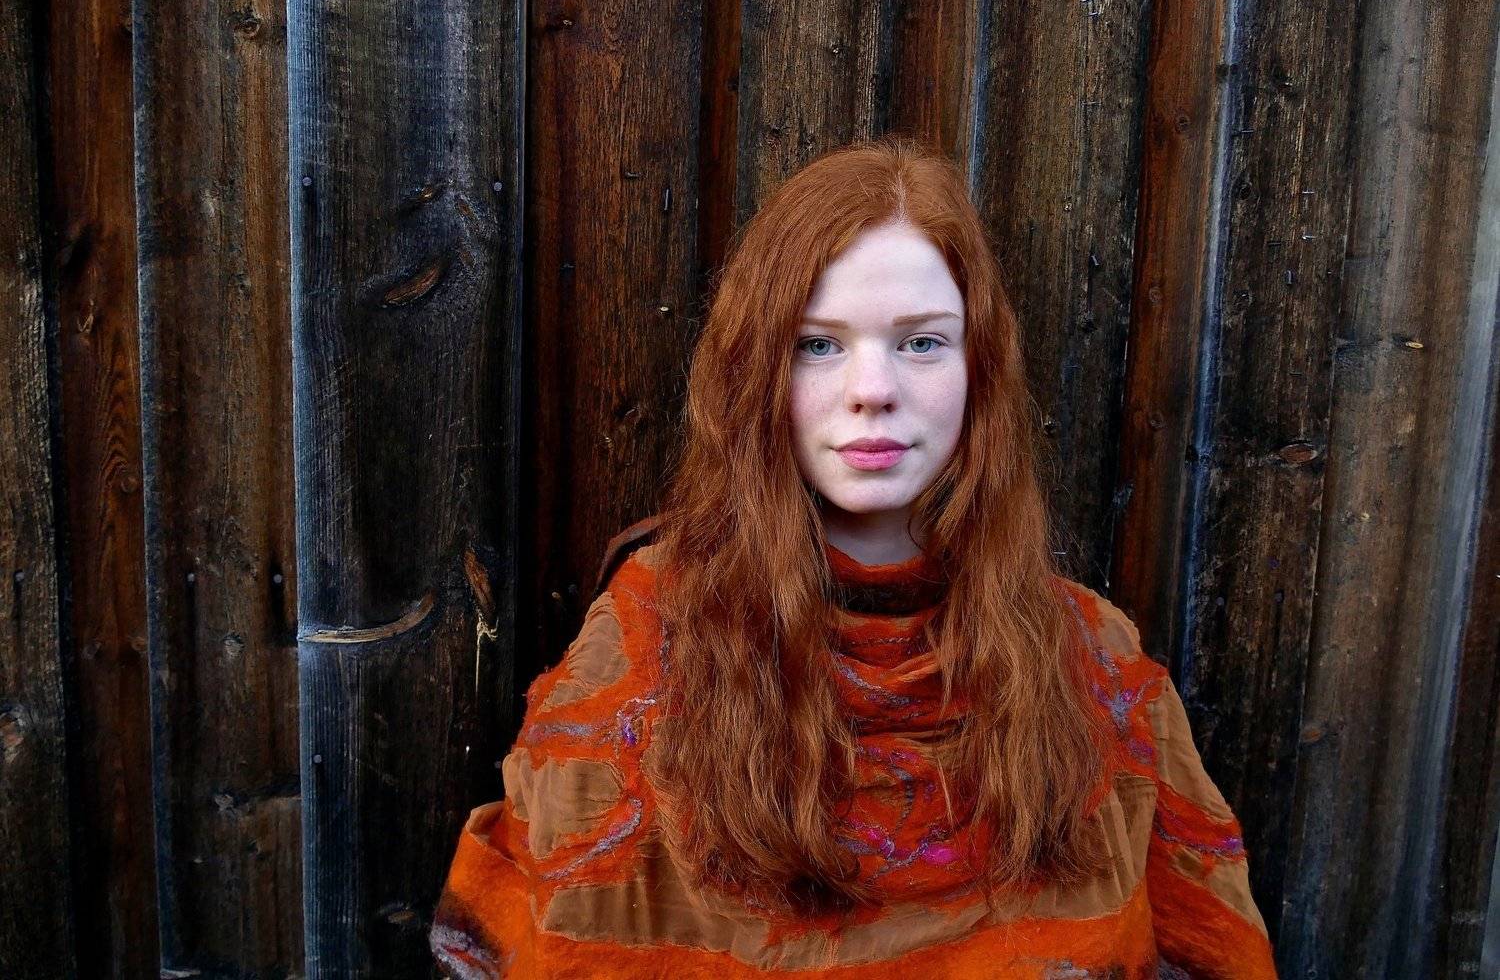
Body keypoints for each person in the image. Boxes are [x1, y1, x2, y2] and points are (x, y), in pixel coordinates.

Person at [429, 137, 1277, 978]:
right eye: (818, 344)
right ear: (755, 370)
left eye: (922, 342)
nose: (872, 389)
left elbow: (1205, 945)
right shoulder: (642, 650)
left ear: (980, 368)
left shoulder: (1096, 668)